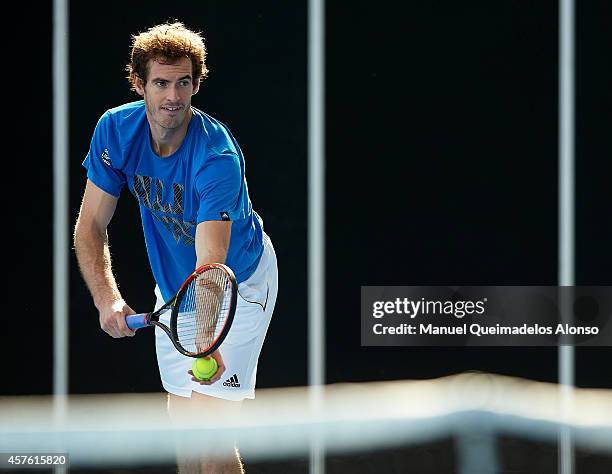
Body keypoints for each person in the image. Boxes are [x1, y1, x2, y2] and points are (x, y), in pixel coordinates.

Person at [73, 21, 278, 474]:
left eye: (183, 82)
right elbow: (89, 226)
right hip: (176, 288)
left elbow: (212, 265)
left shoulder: (216, 158)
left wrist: (207, 340)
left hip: (236, 286)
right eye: (161, 83)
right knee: (184, 431)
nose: (172, 96)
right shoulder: (115, 131)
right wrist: (107, 299)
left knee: (210, 436)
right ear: (139, 84)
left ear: (196, 84)